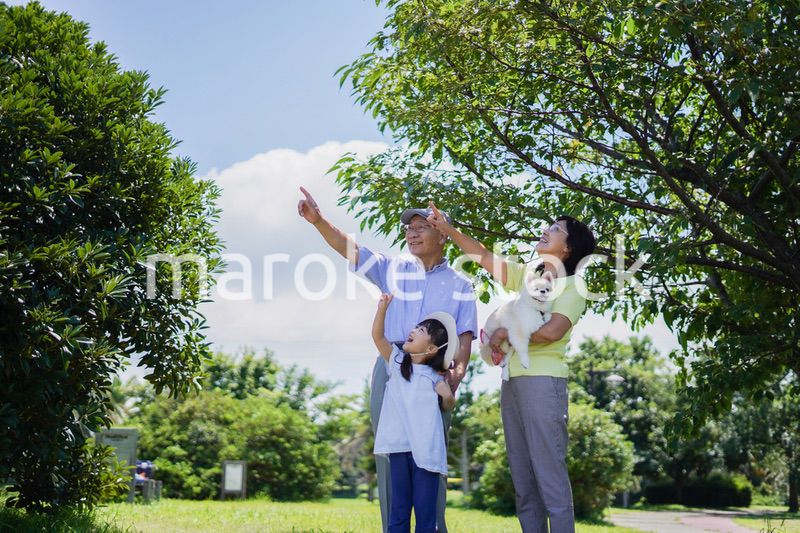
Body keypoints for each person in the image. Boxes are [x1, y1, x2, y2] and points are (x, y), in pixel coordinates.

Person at [297, 187, 477, 533]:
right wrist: (318, 221)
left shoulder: (460, 284)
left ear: (442, 233)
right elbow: (349, 248)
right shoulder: (391, 267)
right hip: (392, 364)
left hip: (435, 373)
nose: (411, 232)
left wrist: (459, 370)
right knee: (392, 453)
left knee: (430, 455)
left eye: (421, 226)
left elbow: (465, 336)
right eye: (408, 228)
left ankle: (432, 527)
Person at [426, 201, 596, 533]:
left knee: (549, 475)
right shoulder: (529, 276)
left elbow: (552, 332)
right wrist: (446, 230)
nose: (546, 230)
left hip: (543, 384)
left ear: (569, 248)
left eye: (556, 229)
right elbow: (484, 257)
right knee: (523, 477)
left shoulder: (574, 286)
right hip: (513, 384)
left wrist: (505, 334)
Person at [372, 293, 456, 533]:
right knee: (398, 511)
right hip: (399, 448)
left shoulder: (434, 377)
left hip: (426, 453)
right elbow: (378, 337)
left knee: (425, 514)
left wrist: (447, 394)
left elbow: (448, 404)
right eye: (416, 326)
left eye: (421, 330)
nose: (413, 330)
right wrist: (382, 310)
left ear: (431, 348)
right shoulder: (397, 364)